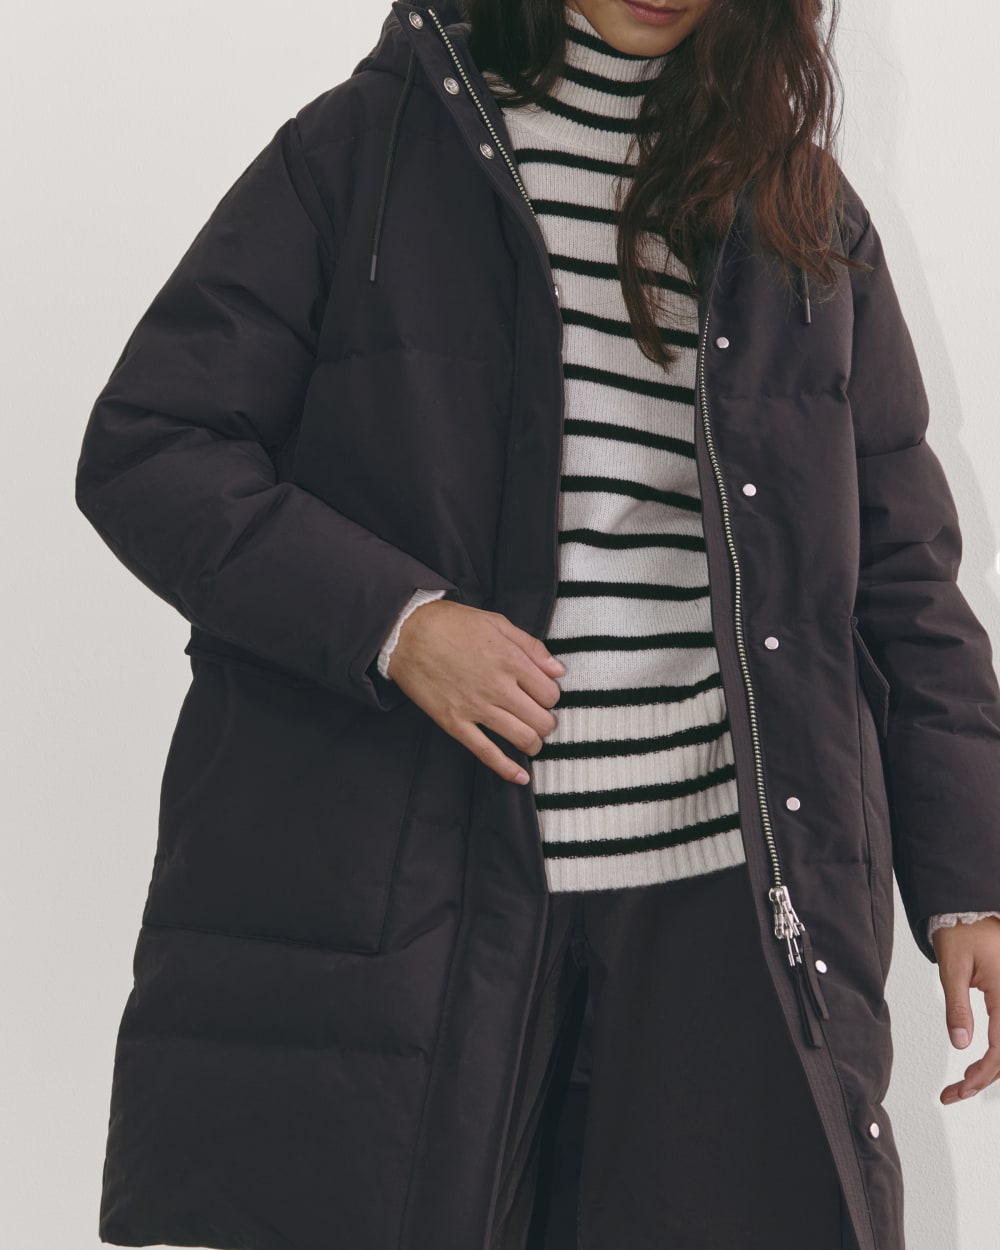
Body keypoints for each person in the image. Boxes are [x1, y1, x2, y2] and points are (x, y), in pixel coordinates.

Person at [75, 2, 1000, 1248]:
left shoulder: (802, 213)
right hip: (426, 881)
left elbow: (901, 574)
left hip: (719, 899)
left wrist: (969, 881)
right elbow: (152, 446)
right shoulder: (365, 150)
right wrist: (400, 624)